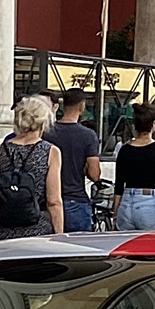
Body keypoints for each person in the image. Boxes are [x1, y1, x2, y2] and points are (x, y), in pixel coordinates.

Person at [0, 94, 64, 241]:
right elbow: (53, 201)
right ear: (43, 122)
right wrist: (59, 235)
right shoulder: (50, 151)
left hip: (4, 230)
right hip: (38, 231)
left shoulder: (2, 150)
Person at [45, 89, 101, 232]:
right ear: (82, 106)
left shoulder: (47, 132)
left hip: (47, 201)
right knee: (78, 249)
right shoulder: (88, 135)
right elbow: (94, 175)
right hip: (76, 200)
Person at [111, 105, 155, 231]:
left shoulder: (125, 150)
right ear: (153, 125)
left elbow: (119, 186)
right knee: (153, 246)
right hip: (149, 201)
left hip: (127, 201)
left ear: (135, 126)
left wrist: (115, 212)